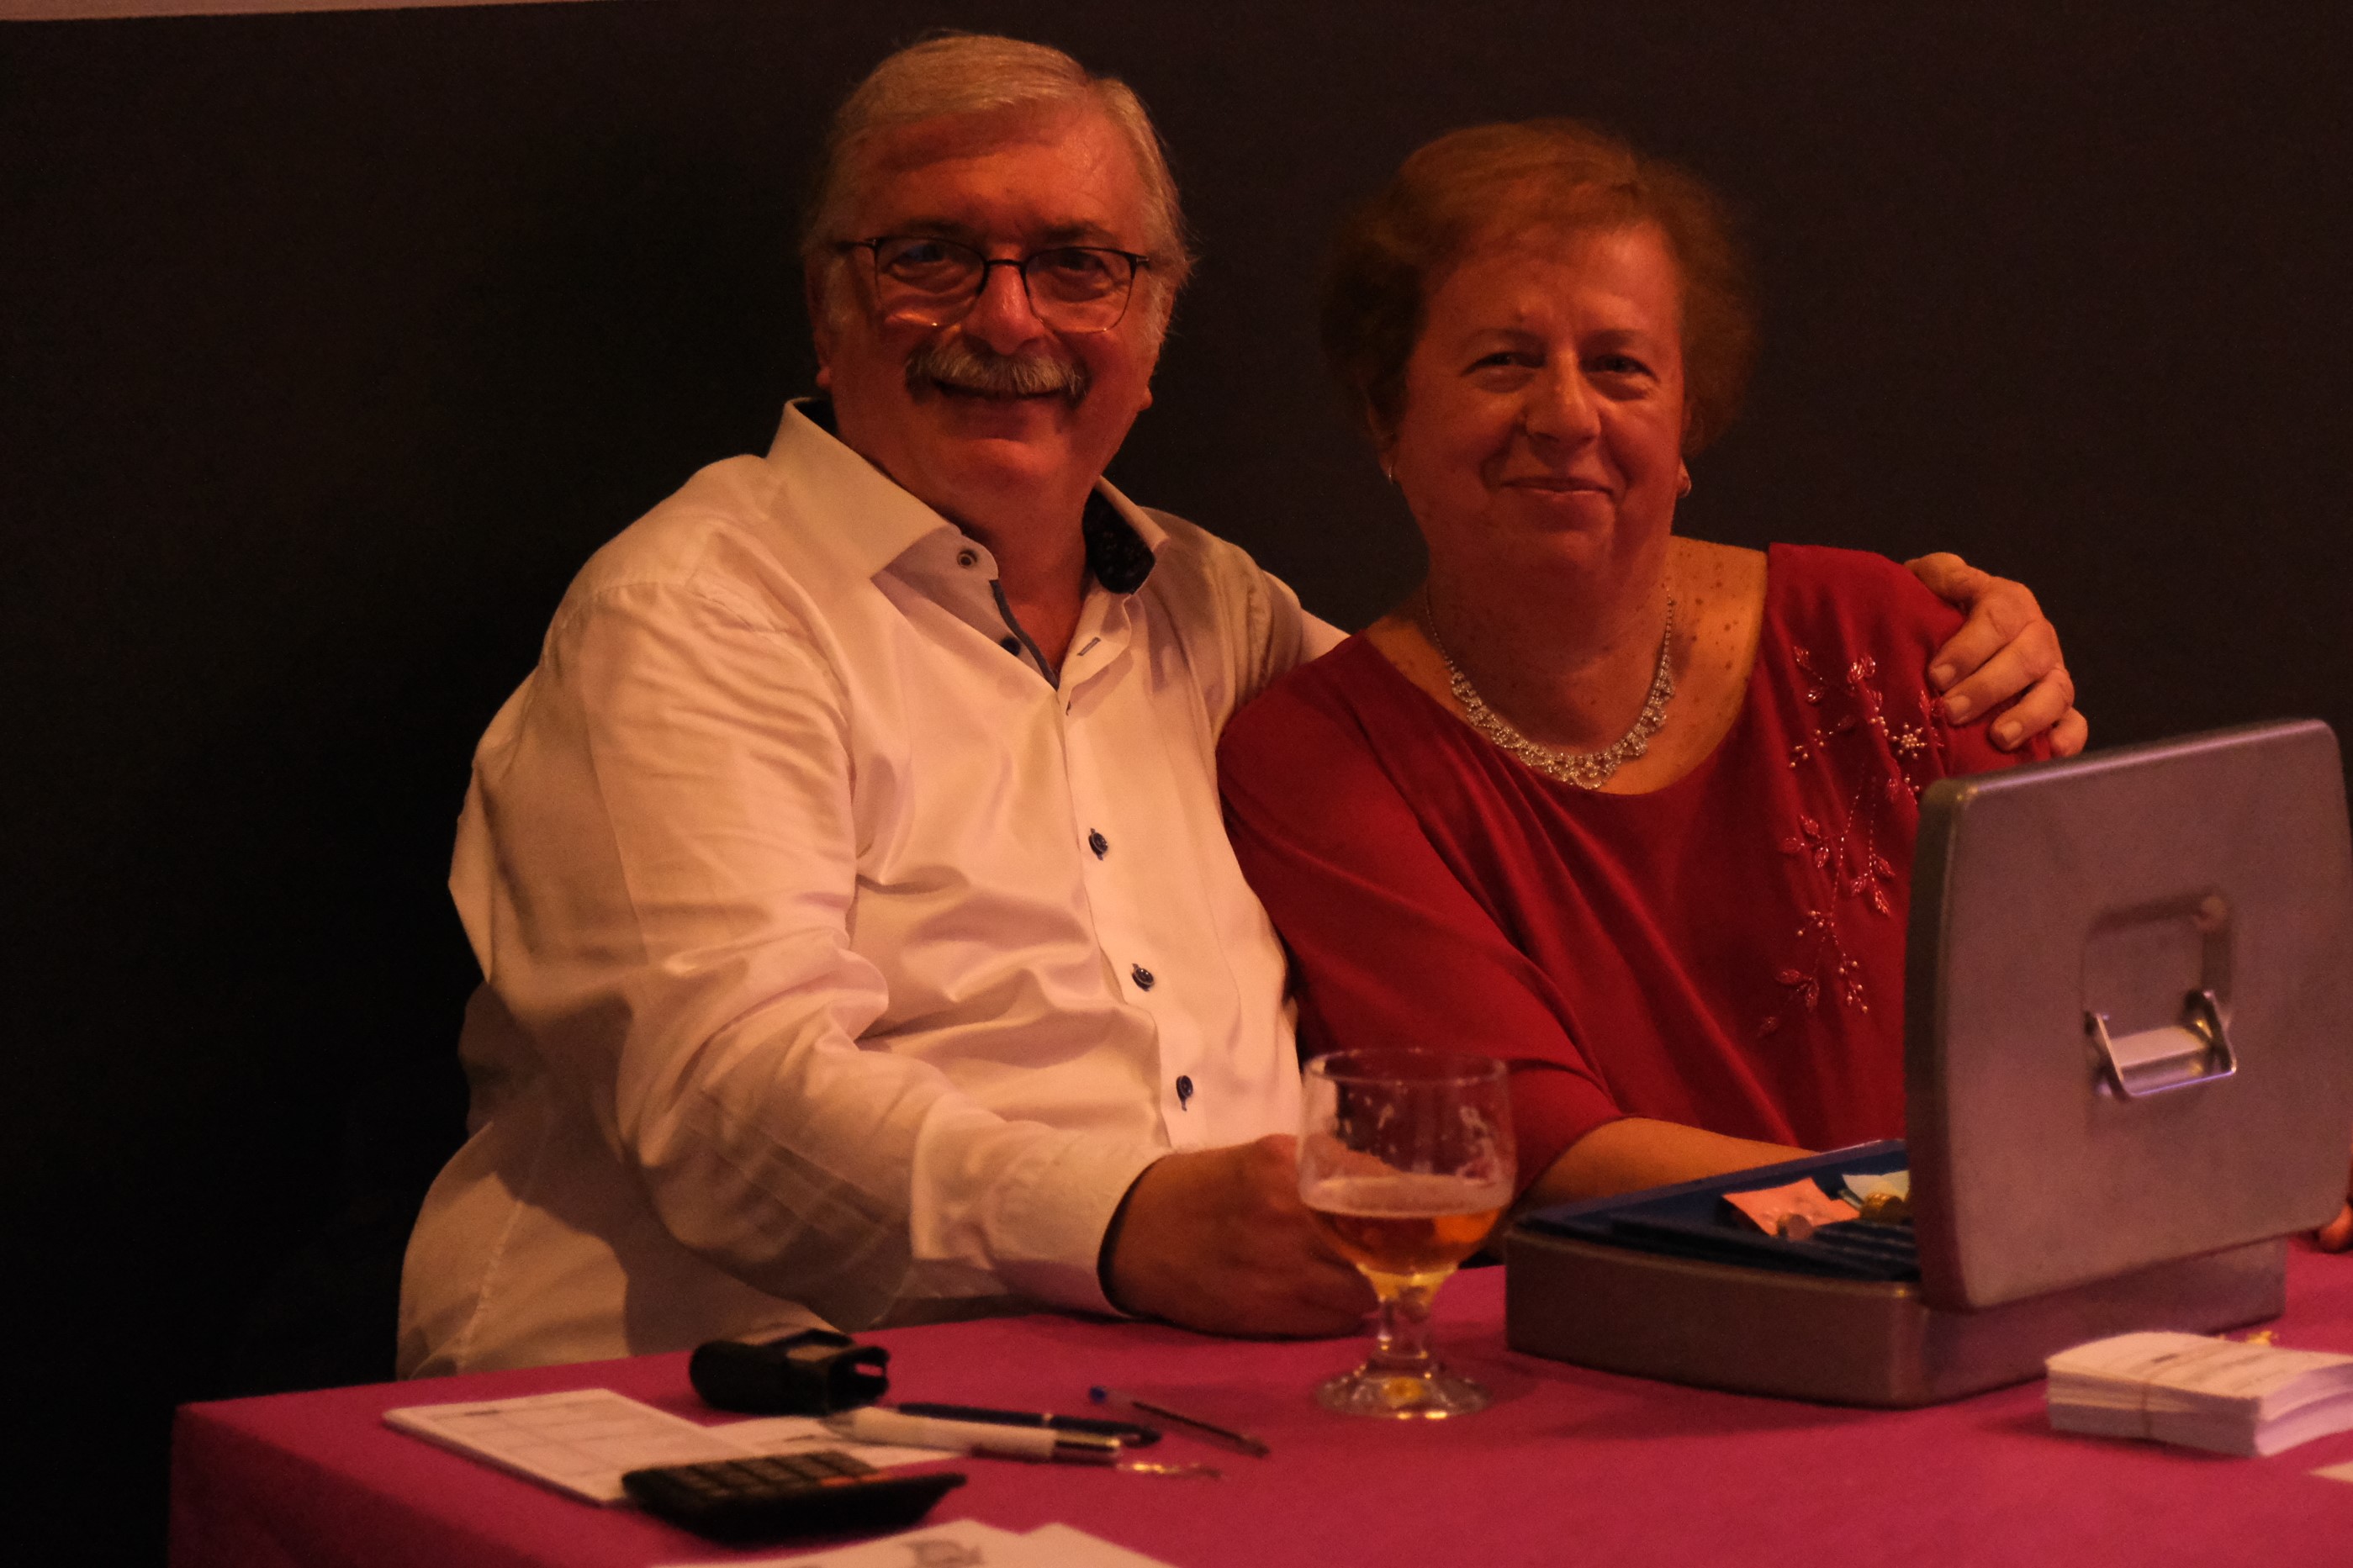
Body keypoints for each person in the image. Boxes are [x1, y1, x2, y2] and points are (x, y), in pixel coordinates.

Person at [399, 40, 2087, 1377]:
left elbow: (1516, 708)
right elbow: (726, 1098)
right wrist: (1119, 1222)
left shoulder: (1216, 613)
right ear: (827, 305)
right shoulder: (695, 618)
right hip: (715, 1406)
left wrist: (1945, 637)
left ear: (1150, 326)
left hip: (1184, 1394)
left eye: (1078, 265)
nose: (1009, 316)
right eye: (933, 256)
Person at [1219, 119, 2069, 1211]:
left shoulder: (1888, 637)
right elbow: (1530, 1149)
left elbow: (2093, 1006)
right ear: (1389, 415)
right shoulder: (1322, 759)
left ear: (1685, 421)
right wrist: (1923, 1223)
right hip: (1657, 1315)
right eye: (1503, 362)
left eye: (1619, 366)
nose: (1565, 415)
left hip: (2011, 1287)